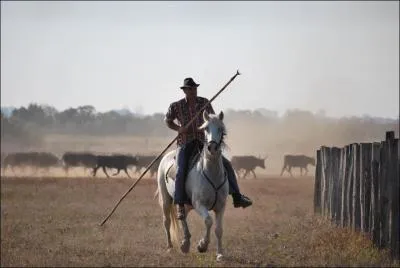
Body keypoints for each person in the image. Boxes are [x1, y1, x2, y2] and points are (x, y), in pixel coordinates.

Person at [165, 77, 253, 220]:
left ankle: (237, 196)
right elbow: (167, 120)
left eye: (195, 88)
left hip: (203, 142)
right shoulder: (176, 106)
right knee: (181, 170)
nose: (193, 91)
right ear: (185, 91)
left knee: (227, 164)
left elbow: (213, 119)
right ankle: (180, 204)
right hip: (185, 143)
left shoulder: (204, 102)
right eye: (190, 89)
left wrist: (212, 124)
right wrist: (179, 128)